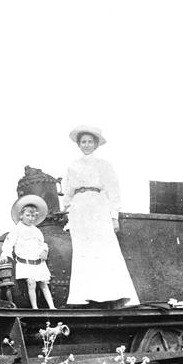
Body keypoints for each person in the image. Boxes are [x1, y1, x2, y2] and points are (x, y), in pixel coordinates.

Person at [62, 125, 139, 307]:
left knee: (105, 249)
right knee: (82, 251)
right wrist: (67, 212)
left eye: (89, 142)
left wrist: (114, 217)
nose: (86, 145)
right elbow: (68, 192)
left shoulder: (104, 165)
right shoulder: (73, 166)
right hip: (79, 209)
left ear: (96, 144)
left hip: (97, 207)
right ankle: (83, 295)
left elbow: (113, 192)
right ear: (79, 144)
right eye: (83, 142)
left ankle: (118, 294)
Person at [0, 195, 56, 309]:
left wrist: (44, 250)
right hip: (25, 263)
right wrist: (4, 254)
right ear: (21, 216)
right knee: (31, 283)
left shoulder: (37, 231)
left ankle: (52, 306)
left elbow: (42, 243)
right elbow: (8, 243)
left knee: (44, 284)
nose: (30, 218)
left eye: (33, 216)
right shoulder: (17, 230)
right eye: (28, 215)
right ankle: (35, 307)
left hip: (38, 262)